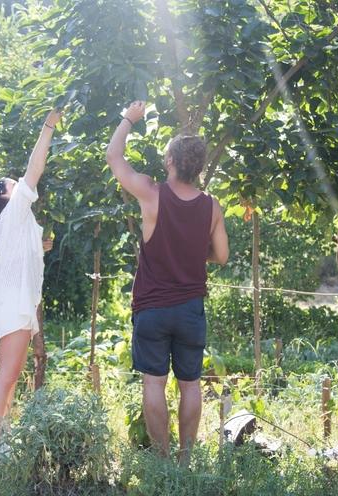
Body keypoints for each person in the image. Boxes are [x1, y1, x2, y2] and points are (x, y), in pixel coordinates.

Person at [106, 101, 229, 462]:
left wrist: (129, 118)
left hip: (152, 308)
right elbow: (221, 256)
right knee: (191, 385)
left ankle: (161, 459)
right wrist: (194, 252)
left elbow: (114, 157)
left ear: (171, 161)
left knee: (153, 383)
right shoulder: (212, 205)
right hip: (190, 310)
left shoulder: (151, 192)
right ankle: (186, 458)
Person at [0, 109, 61, 452]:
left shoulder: (16, 222)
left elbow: (22, 255)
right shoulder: (12, 212)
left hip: (16, 306)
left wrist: (39, 246)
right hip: (14, 308)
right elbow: (35, 168)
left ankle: (3, 436)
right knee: (8, 375)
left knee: (11, 375)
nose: (19, 182)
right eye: (12, 183)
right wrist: (47, 127)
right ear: (3, 196)